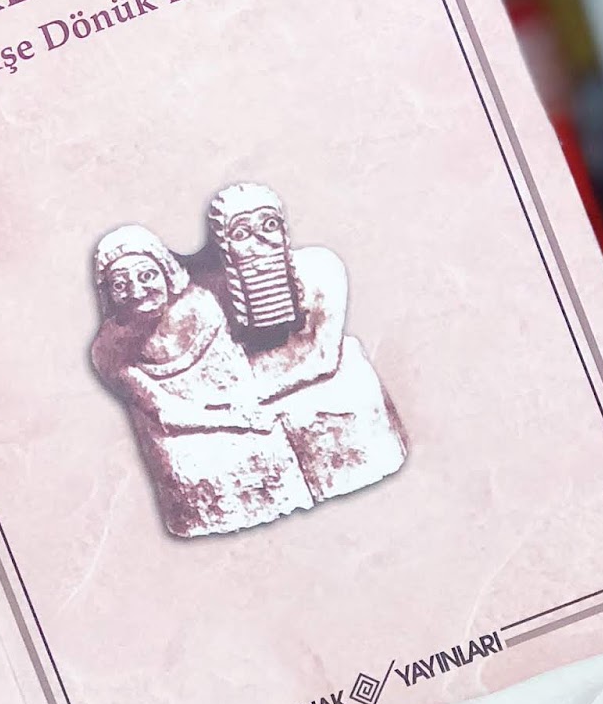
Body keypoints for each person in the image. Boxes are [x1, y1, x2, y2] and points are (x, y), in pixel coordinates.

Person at [90, 226, 314, 537]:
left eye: (147, 275)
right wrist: (236, 420)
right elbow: (165, 413)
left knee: (267, 442)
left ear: (167, 272)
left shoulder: (199, 305)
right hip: (184, 434)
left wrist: (245, 413)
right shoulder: (109, 349)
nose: (137, 292)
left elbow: (235, 379)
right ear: (107, 295)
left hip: (236, 409)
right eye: (120, 284)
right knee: (186, 463)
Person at [201, 184, 406, 503]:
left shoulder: (320, 268)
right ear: (225, 247)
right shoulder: (211, 297)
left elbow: (325, 359)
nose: (260, 242)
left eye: (269, 225)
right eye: (241, 233)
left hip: (297, 383)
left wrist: (258, 395)